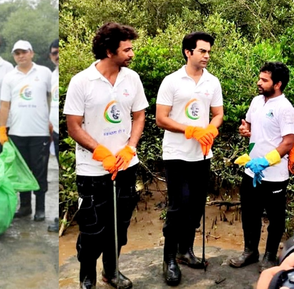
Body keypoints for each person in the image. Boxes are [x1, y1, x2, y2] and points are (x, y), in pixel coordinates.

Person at [63, 22, 148, 289]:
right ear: (110, 51)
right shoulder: (81, 81)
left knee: (119, 225)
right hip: (92, 170)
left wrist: (130, 147)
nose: (132, 54)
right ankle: (87, 276)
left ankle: (111, 272)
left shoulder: (131, 79)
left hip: (125, 165)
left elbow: (139, 115)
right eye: (127, 49)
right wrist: (99, 152)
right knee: (92, 229)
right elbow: (73, 125)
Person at [155, 32, 223, 285]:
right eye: (202, 51)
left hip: (202, 154)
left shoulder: (212, 82)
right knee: (178, 206)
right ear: (188, 52)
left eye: (208, 52)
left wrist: (211, 128)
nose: (207, 56)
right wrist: (189, 130)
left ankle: (186, 251)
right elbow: (161, 118)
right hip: (176, 154)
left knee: (195, 207)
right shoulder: (172, 81)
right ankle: (169, 258)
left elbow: (218, 113)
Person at [229, 62, 294, 273]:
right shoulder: (257, 101)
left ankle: (269, 256)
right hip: (251, 171)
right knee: (249, 213)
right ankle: (250, 251)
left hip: (275, 175)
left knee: (275, 217)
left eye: (264, 80)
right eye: (260, 78)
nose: (259, 82)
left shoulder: (286, 108)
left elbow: (288, 141)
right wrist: (244, 129)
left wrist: (265, 161)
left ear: (277, 84)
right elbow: (247, 123)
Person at [0, 40, 52, 222]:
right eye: (17, 53)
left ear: (32, 53)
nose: (21, 56)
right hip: (17, 132)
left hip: (40, 132)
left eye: (24, 52)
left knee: (39, 170)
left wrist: (51, 121)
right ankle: (25, 206)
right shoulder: (9, 77)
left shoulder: (44, 73)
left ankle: (41, 208)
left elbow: (52, 97)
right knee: (21, 170)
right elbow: (4, 105)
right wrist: (1, 129)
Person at [47, 38, 60, 233]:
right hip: (54, 131)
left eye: (60, 51)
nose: (57, 56)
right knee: (58, 173)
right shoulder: (53, 74)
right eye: (54, 53)